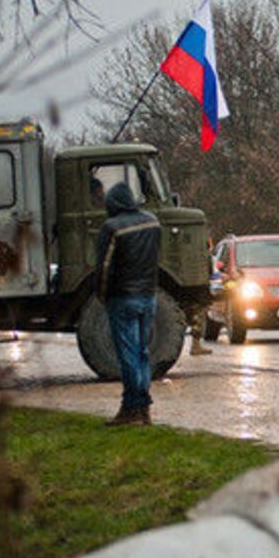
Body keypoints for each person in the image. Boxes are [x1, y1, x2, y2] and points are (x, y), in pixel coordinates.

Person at [95, 181, 161, 426]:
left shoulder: (112, 228)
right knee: (143, 352)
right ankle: (143, 409)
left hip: (122, 297)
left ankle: (132, 407)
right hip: (148, 295)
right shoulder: (152, 222)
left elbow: (104, 268)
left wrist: (102, 294)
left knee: (128, 355)